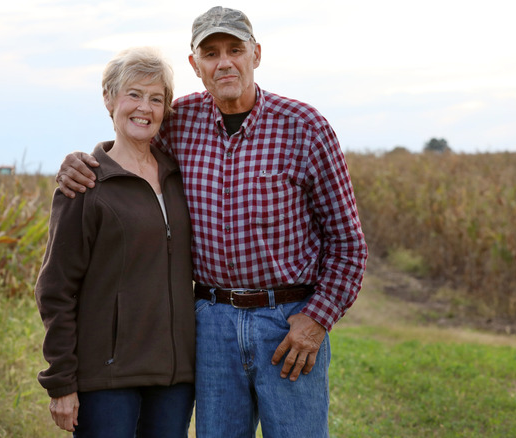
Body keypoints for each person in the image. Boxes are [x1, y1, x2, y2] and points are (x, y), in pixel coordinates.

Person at [55, 6, 368, 438]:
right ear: (194, 65)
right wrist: (80, 161)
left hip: (287, 323)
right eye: (211, 52)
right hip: (211, 323)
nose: (224, 62)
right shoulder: (178, 122)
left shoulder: (305, 128)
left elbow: (348, 243)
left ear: (256, 54)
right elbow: (130, 146)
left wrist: (316, 320)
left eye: (235, 50)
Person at [34, 46, 195, 438]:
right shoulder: (87, 184)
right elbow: (56, 289)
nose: (145, 107)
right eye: (134, 94)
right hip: (107, 379)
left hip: (174, 378)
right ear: (109, 99)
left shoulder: (179, 177)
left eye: (156, 98)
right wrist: (61, 383)